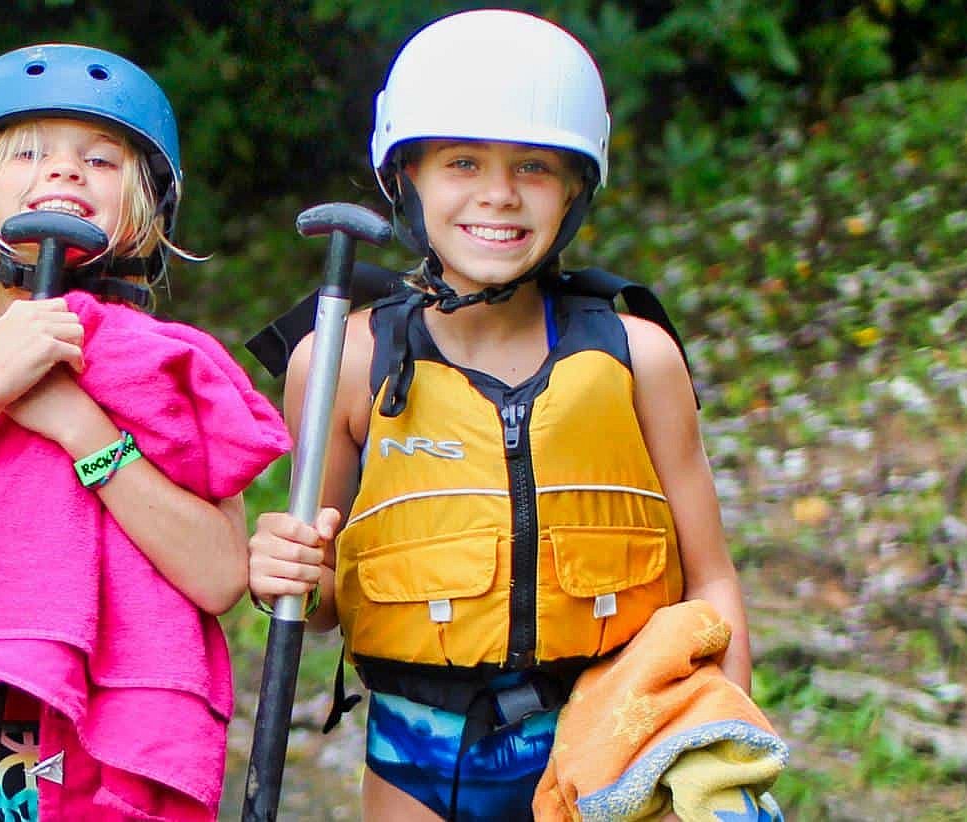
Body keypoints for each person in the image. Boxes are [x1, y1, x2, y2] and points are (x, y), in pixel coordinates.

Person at [245, 9, 755, 821]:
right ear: (405, 176)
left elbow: (712, 577)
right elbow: (327, 599)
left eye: (534, 167)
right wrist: (286, 573)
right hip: (418, 760)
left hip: (613, 754)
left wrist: (723, 738)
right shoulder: (341, 360)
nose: (498, 195)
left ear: (576, 188)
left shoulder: (639, 356)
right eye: (461, 162)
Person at [0, 44, 289, 821]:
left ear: (148, 206)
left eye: (102, 159)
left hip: (115, 761)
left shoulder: (167, 369)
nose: (66, 171)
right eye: (27, 151)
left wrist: (79, 425)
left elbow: (220, 576)